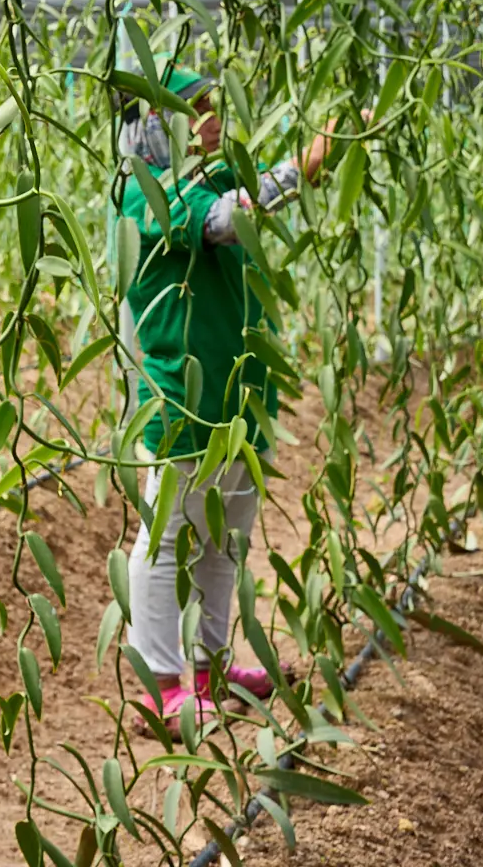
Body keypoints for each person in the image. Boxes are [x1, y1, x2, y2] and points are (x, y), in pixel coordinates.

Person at [116, 65, 330, 724]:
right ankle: (162, 683)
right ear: (155, 123)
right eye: (196, 106)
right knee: (167, 540)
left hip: (238, 404)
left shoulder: (206, 179)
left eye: (212, 103)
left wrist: (301, 164)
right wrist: (306, 163)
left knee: (224, 545)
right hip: (183, 404)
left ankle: (209, 671)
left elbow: (246, 194)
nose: (211, 116)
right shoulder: (145, 196)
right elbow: (229, 220)